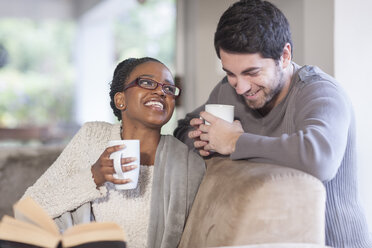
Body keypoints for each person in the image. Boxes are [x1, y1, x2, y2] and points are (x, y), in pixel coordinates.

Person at [173, 0, 372, 247]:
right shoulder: (228, 91)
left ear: (285, 55)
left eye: (252, 72)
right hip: (262, 237)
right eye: (230, 73)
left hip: (330, 241)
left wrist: (235, 142)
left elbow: (319, 159)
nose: (241, 86)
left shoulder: (320, 92)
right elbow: (182, 128)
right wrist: (203, 141)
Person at [21, 57, 206, 248]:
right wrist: (94, 177)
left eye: (168, 88)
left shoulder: (186, 162)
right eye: (147, 83)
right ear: (121, 100)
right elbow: (28, 209)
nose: (160, 91)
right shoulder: (92, 137)